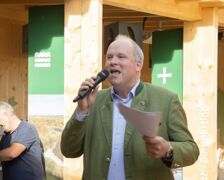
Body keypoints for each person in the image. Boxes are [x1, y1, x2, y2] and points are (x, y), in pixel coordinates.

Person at [61, 34, 199, 180]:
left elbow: (191, 149)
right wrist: (82, 112)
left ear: (138, 65)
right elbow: (69, 150)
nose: (113, 62)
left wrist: (168, 150)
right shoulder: (93, 101)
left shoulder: (166, 100)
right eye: (109, 57)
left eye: (121, 57)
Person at [0, 102, 44, 180]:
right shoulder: (5, 135)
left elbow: (12, 153)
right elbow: (0, 155)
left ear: (6, 115)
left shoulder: (27, 128)